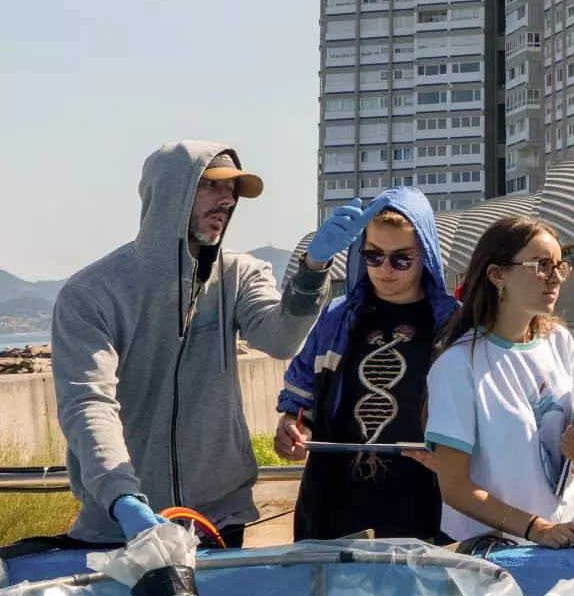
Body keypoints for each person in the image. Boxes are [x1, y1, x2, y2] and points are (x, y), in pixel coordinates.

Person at [50, 142, 360, 547]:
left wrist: (313, 270)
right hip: (120, 525)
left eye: (233, 190)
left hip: (219, 518)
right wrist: (120, 496)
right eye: (212, 186)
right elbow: (88, 404)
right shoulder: (92, 293)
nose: (228, 199)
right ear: (169, 191)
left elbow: (280, 338)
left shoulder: (241, 273)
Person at [273, 189, 459, 540]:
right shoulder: (336, 318)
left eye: (402, 259)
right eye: (374, 256)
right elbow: (300, 404)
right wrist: (291, 430)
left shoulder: (454, 324)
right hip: (335, 514)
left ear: (427, 256)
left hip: (426, 511)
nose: (385, 269)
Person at [423, 215, 574, 549]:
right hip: (497, 556)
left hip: (567, 540)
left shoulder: (559, 342)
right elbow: (455, 488)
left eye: (560, 266)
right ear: (496, 274)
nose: (555, 277)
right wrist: (536, 528)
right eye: (541, 265)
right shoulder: (459, 364)